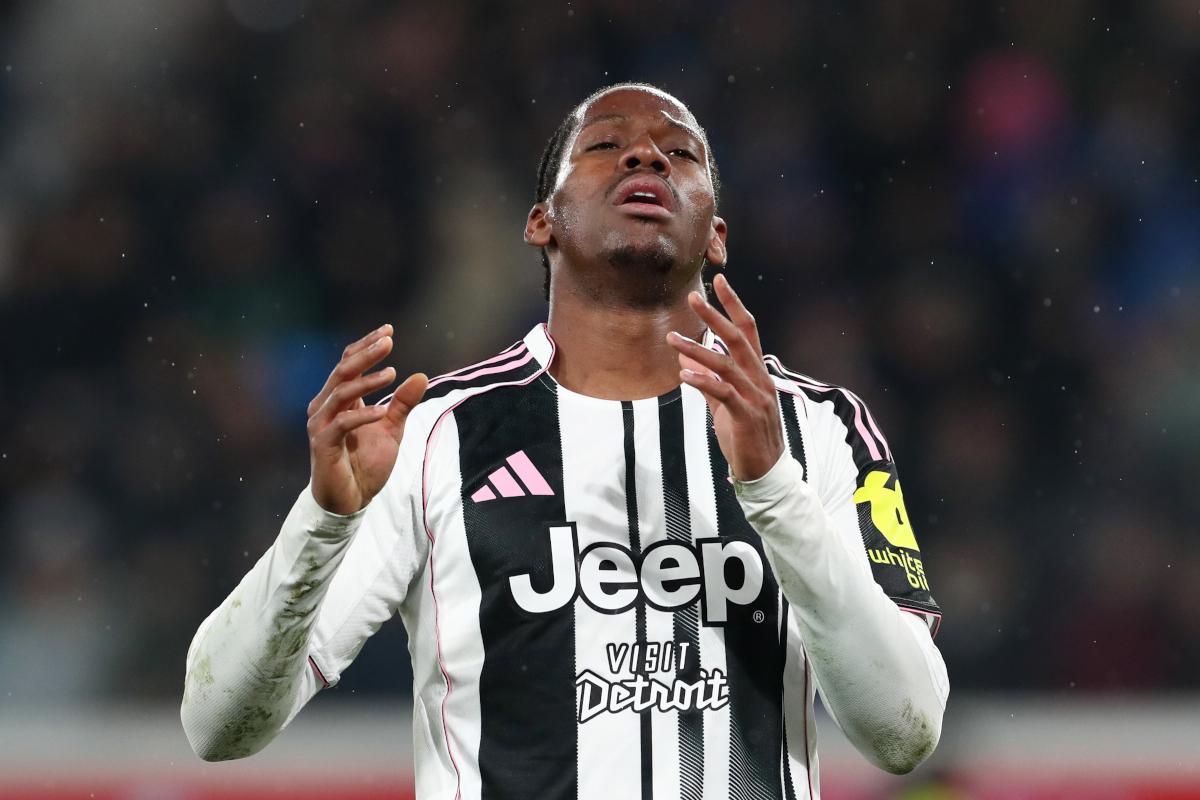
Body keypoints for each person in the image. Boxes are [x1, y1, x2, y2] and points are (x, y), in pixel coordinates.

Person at [181, 83, 948, 800]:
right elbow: (218, 726)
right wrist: (324, 521)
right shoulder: (430, 436)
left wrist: (775, 490)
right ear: (540, 220)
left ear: (715, 235)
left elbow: (905, 732)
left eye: (680, 154)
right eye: (606, 145)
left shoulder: (818, 428)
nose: (646, 157)